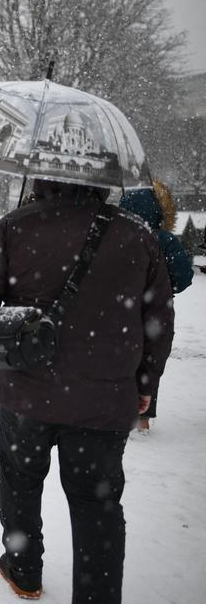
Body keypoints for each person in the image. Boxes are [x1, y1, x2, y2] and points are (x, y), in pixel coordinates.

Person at [0, 178, 174, 603]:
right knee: (98, 504)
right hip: (105, 398)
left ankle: (23, 570)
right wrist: (146, 384)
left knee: (20, 481)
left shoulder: (17, 226)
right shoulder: (136, 233)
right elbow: (159, 319)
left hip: (26, 392)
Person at [119, 180, 194, 434]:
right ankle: (143, 417)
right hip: (154, 311)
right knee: (149, 359)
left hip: (120, 309)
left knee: (119, 355)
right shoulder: (164, 240)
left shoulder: (117, 235)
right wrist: (166, 288)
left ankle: (116, 408)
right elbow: (183, 275)